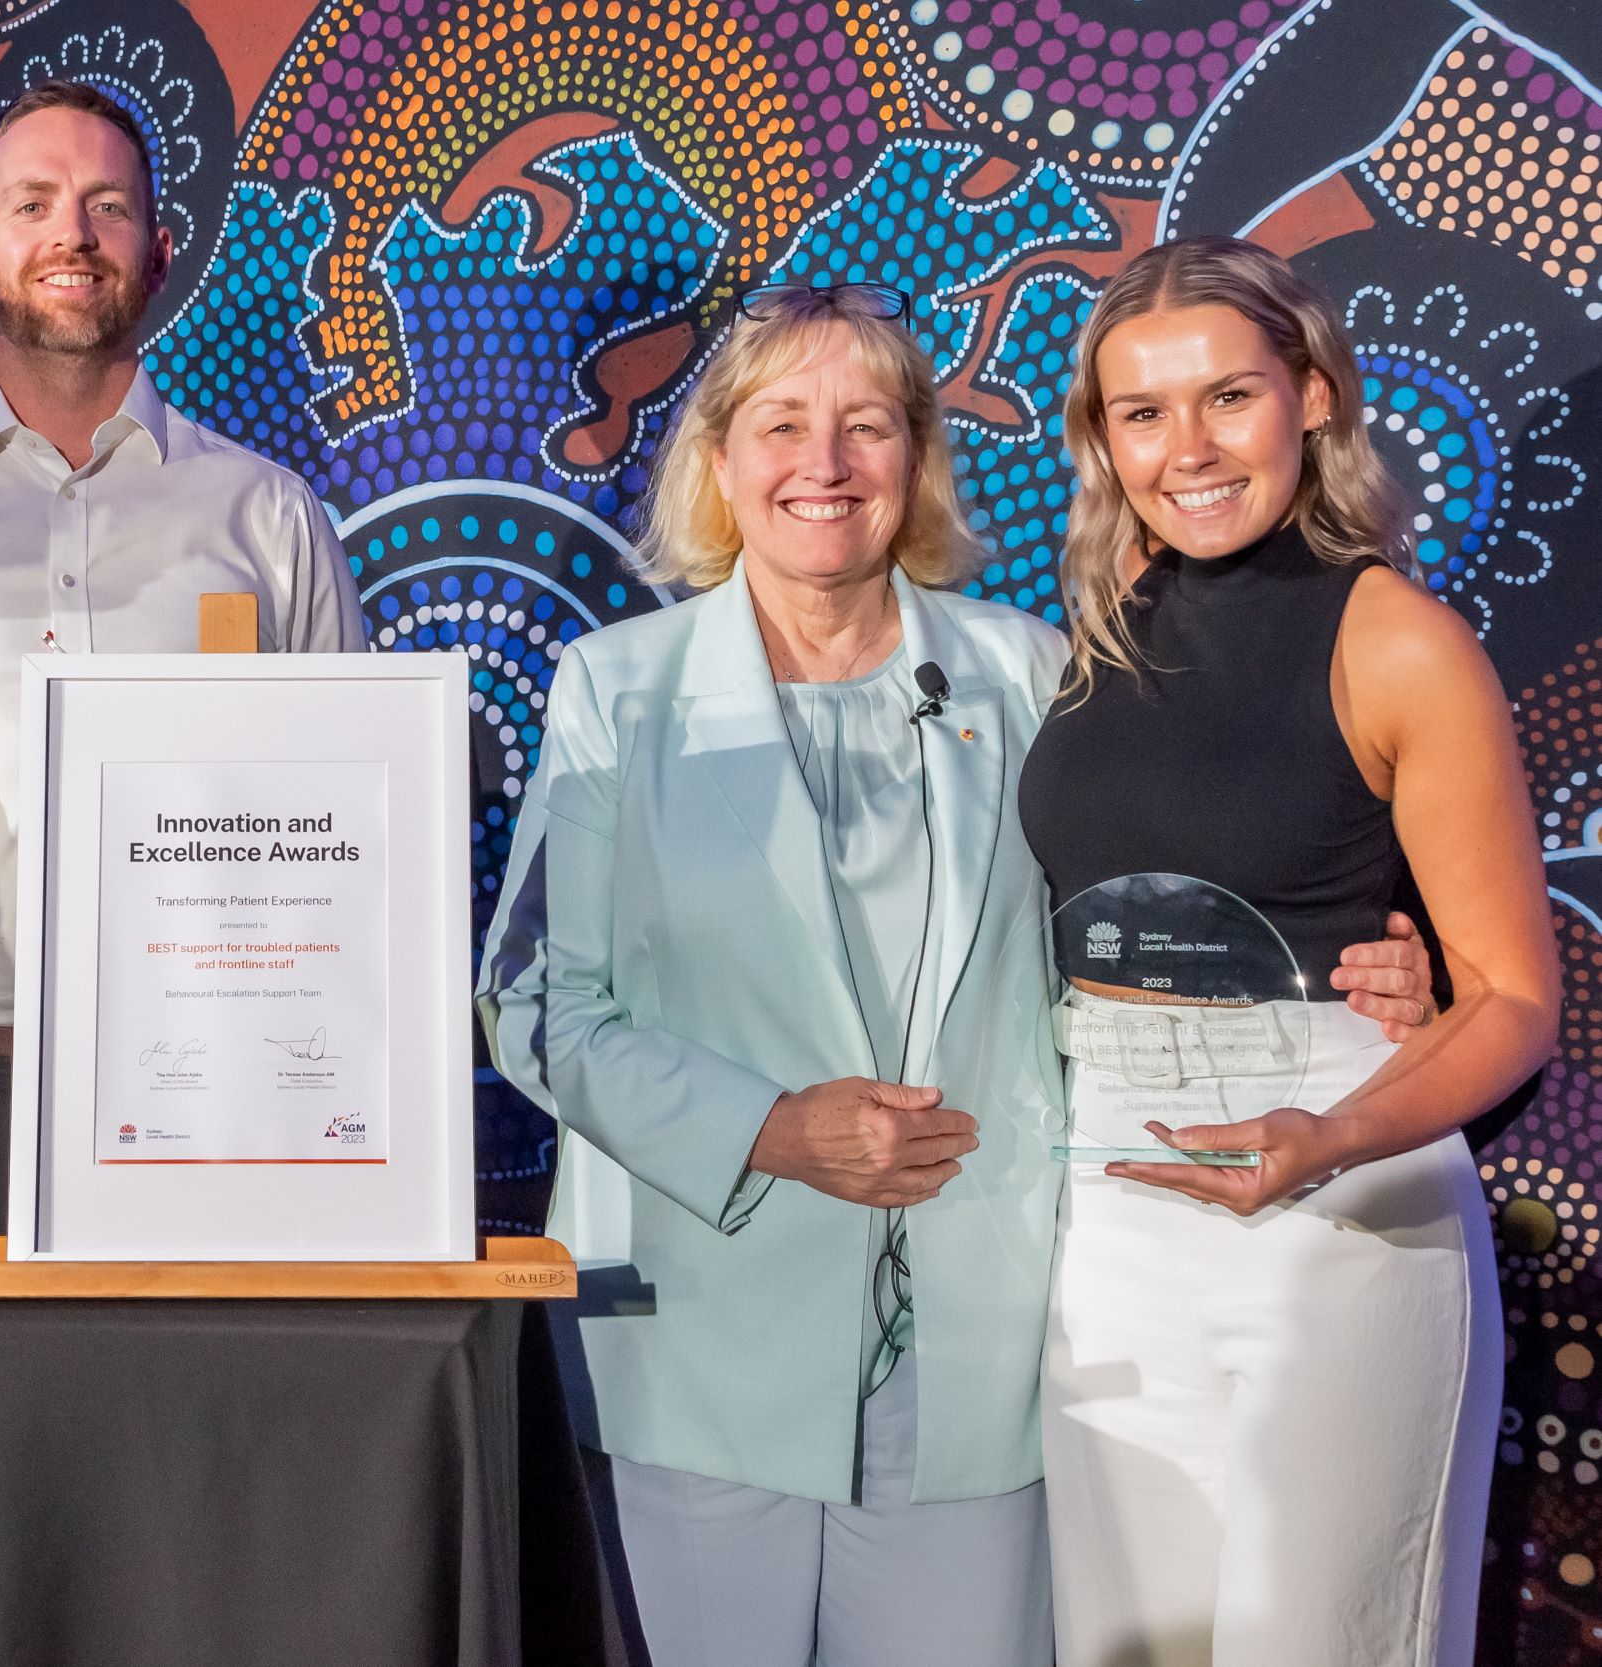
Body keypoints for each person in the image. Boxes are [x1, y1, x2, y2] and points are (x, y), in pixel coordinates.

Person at [475, 283, 1437, 1666]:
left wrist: (1354, 975)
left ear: (918, 459)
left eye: (868, 426)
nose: (825, 465)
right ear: (722, 459)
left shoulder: (1040, 672)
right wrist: (770, 1130)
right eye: (784, 426)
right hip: (697, 1338)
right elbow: (532, 1005)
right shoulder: (613, 691)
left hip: (980, 1336)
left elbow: (1140, 928)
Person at [0, 80, 366, 1401]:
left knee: (183, 1498)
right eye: (32, 203)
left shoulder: (270, 523)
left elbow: (353, 838)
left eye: (108, 205)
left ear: (159, 251)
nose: (73, 232)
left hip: (213, 1111)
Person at [1022, 236, 1557, 1667]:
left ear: (1312, 396)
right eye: (1141, 414)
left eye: (1228, 399)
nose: (1186, 450)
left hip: (1335, 1219)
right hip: (1104, 1214)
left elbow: (1511, 999)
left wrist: (1326, 1135)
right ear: (1102, 438)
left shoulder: (1400, 646)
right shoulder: (1097, 630)